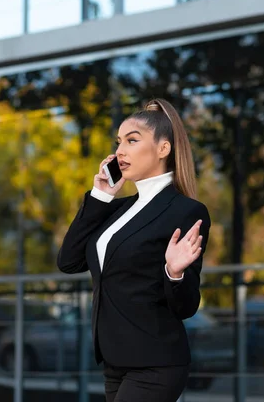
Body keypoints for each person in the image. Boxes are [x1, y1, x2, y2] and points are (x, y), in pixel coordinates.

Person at [57, 98, 211, 402]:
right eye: (118, 142)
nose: (120, 151)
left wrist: (175, 272)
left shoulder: (186, 211)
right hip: (115, 362)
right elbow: (69, 261)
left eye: (132, 140)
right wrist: (100, 196)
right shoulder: (115, 209)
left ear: (163, 149)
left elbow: (186, 306)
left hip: (156, 362)